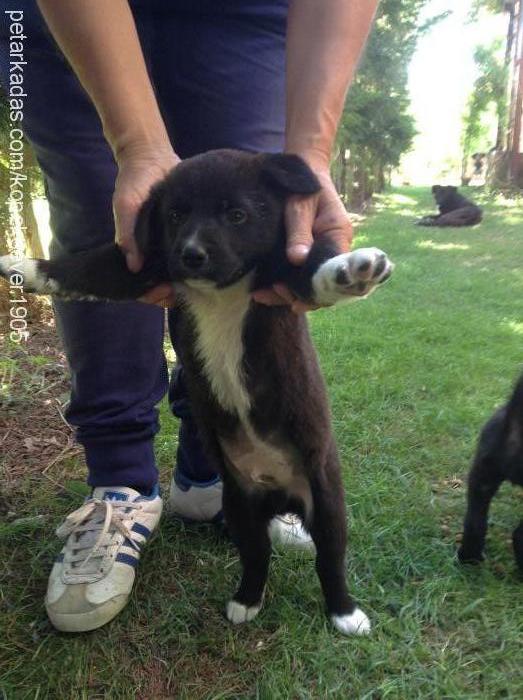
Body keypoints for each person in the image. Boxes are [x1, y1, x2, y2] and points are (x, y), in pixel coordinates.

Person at [0, 0, 378, 632]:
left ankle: (213, 474)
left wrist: (312, 163)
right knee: (113, 221)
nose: (195, 245)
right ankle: (120, 485)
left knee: (271, 220)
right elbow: (124, 254)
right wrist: (135, 144)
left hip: (244, 16)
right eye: (187, 226)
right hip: (66, 20)